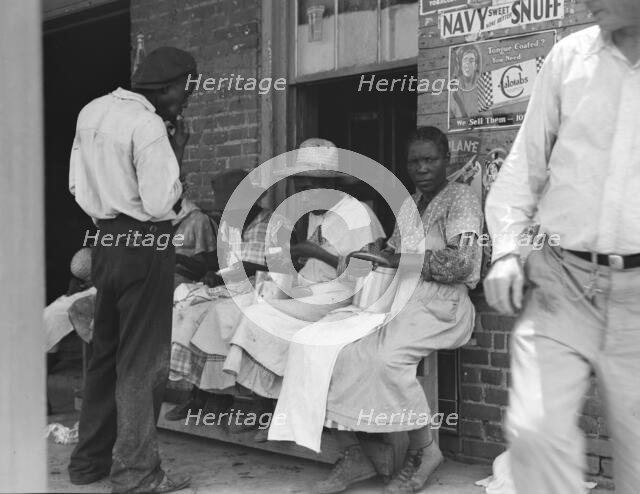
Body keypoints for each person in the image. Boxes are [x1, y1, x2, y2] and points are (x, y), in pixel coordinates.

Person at [483, 1, 640, 493]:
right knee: (535, 432)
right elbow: (524, 164)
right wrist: (507, 250)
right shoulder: (569, 57)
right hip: (562, 283)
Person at [278, 127, 482, 494]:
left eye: (430, 160)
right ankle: (353, 452)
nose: (421, 168)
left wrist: (401, 257)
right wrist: (378, 251)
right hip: (397, 297)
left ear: (446, 159)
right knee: (317, 343)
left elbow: (463, 264)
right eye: (414, 161)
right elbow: (391, 253)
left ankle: (425, 451)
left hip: (442, 303)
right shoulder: (412, 204)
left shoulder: (461, 198)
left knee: (386, 358)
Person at [67, 47, 197, 493]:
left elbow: (75, 185)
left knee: (104, 356)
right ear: (170, 85)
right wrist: (177, 153)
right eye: (186, 89)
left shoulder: (92, 111)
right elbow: (161, 203)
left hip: (105, 241)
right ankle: (138, 475)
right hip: (143, 245)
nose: (186, 99)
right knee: (142, 364)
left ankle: (88, 464)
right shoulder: (148, 125)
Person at [220, 139, 386, 410]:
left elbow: (370, 271)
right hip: (311, 295)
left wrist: (319, 254)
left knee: (261, 318)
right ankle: (264, 405)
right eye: (300, 187)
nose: (305, 195)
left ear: (332, 186)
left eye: (312, 187)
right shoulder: (314, 214)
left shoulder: (358, 213)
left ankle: (265, 408)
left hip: (343, 302)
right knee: (244, 310)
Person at [166, 169, 289, 420]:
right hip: (229, 291)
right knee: (186, 313)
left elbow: (285, 267)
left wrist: (233, 271)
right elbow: (214, 259)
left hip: (263, 293)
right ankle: (200, 394)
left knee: (216, 317)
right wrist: (182, 260)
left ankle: (227, 397)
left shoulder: (276, 224)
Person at [172, 197, 217, 287]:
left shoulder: (199, 221)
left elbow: (214, 269)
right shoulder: (155, 222)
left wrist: (180, 259)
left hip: (187, 287)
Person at [450, 44, 482, 119]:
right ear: (460, 64)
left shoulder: (483, 86)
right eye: (465, 60)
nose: (468, 63)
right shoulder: (453, 90)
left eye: (471, 60)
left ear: (476, 65)